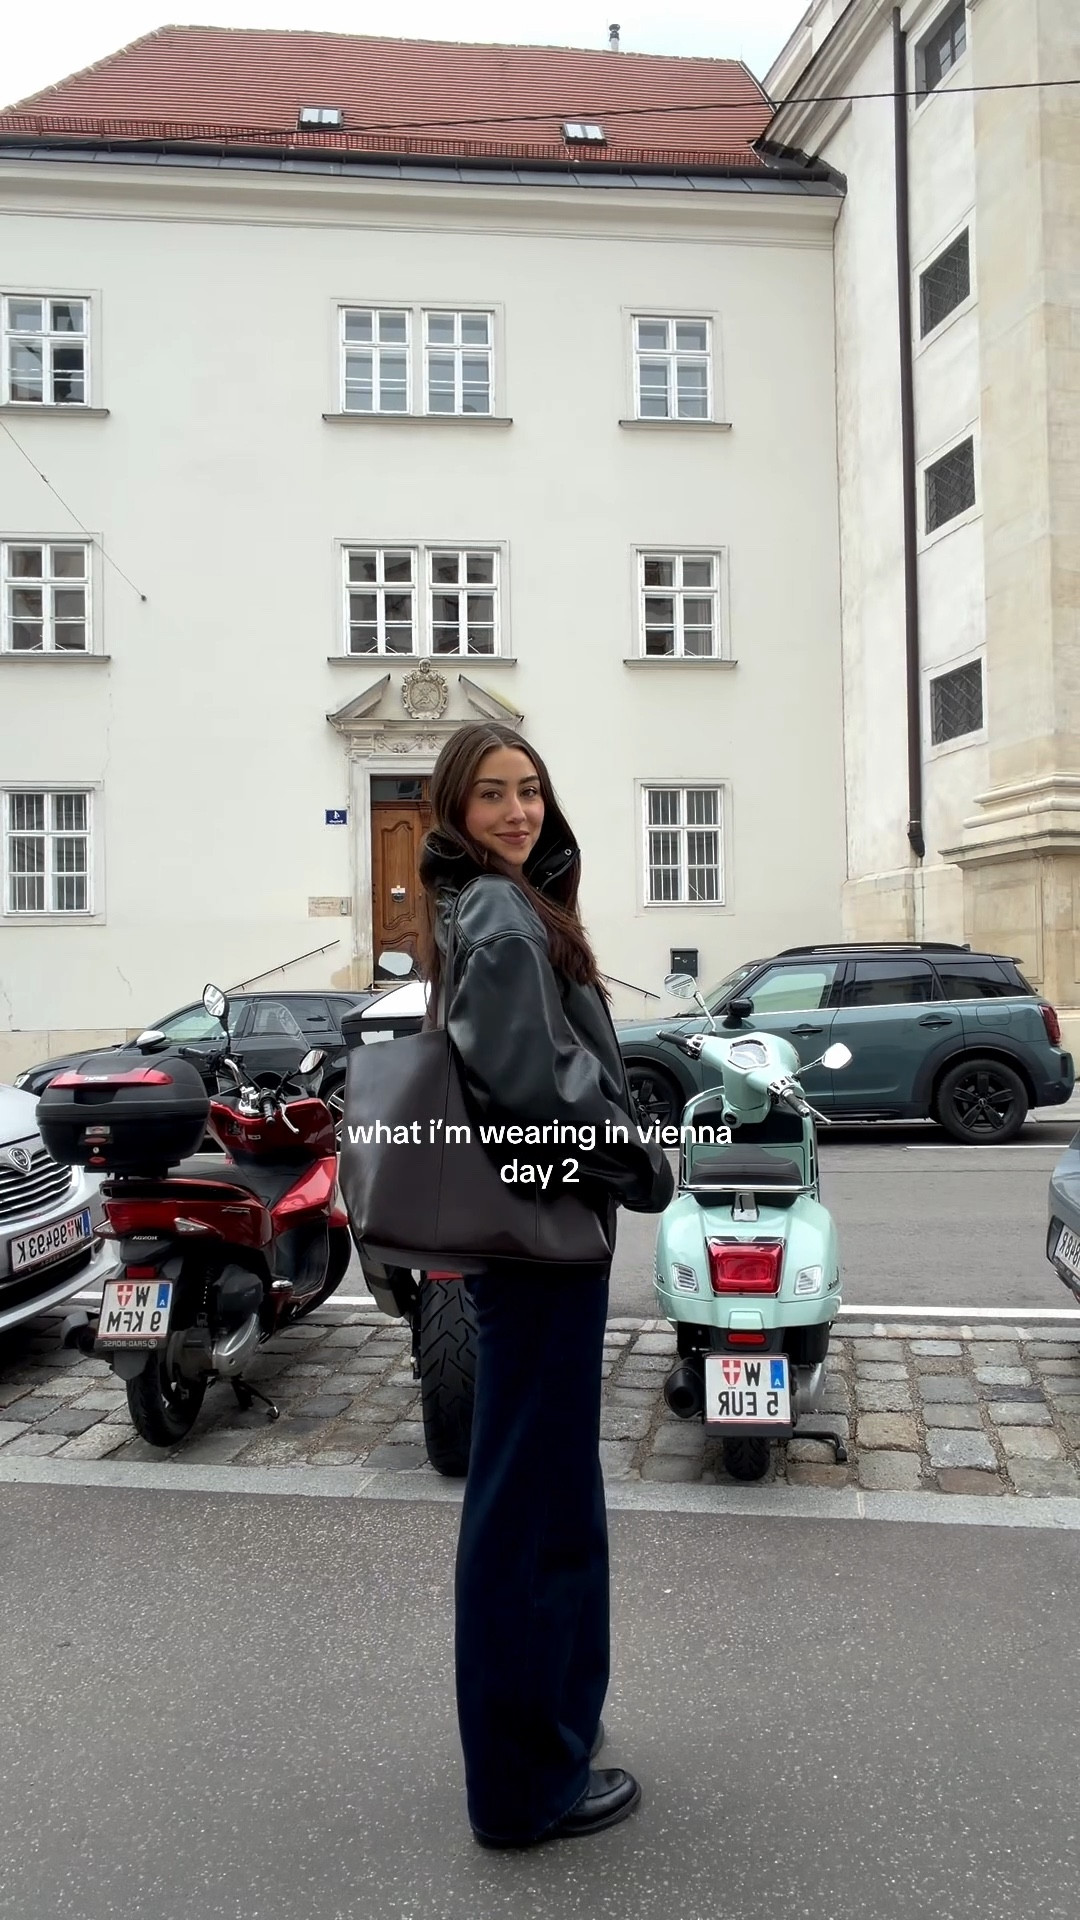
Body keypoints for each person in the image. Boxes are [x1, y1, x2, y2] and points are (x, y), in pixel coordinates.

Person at [416, 721, 674, 1850]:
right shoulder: (502, 913)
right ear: (456, 811)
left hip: (525, 1238)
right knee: (530, 1508)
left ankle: (553, 1731)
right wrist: (634, 1153)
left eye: (530, 791)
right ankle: (524, 1789)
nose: (518, 812)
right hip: (539, 1240)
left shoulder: (496, 903)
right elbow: (536, 1084)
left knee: (546, 1495)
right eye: (491, 797)